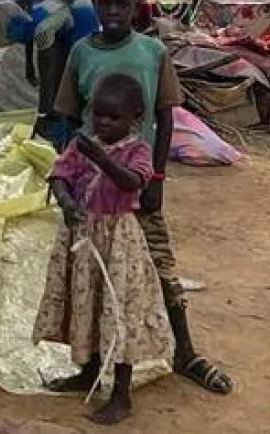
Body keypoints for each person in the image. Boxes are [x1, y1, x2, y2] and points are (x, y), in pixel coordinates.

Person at [52, 0, 234, 396]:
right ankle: (89, 364)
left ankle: (185, 352)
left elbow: (166, 114)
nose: (113, 12)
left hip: (135, 185)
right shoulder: (81, 52)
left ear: (137, 5)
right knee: (92, 278)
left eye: (123, 3)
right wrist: (66, 181)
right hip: (93, 193)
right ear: (93, 3)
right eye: (104, 3)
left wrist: (156, 176)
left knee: (159, 268)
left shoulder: (152, 52)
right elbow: (69, 120)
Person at [34, 73, 172, 425]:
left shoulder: (137, 151)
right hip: (83, 240)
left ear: (135, 119)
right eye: (99, 115)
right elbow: (59, 174)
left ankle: (121, 393)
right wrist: (66, 202)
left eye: (114, 117)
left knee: (119, 309)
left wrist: (103, 159)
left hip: (117, 243)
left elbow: (133, 181)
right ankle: (87, 370)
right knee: (87, 304)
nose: (104, 123)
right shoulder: (83, 143)